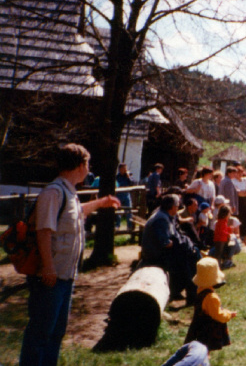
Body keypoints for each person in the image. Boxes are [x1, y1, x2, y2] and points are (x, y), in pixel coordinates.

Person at [20, 143, 120, 366]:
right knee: (40, 333)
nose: (89, 167)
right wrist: (48, 267)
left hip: (64, 276)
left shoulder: (69, 192)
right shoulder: (53, 192)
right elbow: (44, 232)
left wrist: (101, 202)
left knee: (55, 333)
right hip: (50, 277)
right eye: (88, 163)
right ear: (79, 165)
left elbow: (77, 213)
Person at [141, 194, 200, 304]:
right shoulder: (161, 219)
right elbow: (165, 243)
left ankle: (189, 291)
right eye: (177, 206)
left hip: (161, 251)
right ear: (172, 207)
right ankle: (191, 294)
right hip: (155, 254)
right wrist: (180, 245)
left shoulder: (166, 215)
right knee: (188, 259)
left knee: (192, 252)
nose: (178, 209)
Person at [184, 257, 237, 352]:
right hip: (208, 331)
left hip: (198, 327)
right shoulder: (212, 297)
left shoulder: (200, 290)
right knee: (205, 351)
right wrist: (229, 314)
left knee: (199, 350)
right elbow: (217, 315)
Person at [233, 166, 246, 246]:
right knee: (238, 218)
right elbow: (238, 193)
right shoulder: (233, 181)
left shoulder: (245, 180)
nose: (240, 174)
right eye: (238, 172)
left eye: (241, 172)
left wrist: (244, 192)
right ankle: (237, 238)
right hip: (237, 200)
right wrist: (243, 192)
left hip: (245, 200)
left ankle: (245, 239)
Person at [212, 205, 234, 269]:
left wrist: (229, 229)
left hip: (222, 239)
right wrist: (228, 234)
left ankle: (219, 265)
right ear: (225, 214)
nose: (230, 214)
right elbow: (222, 231)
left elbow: (224, 229)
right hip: (219, 240)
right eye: (229, 213)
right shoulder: (221, 222)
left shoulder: (224, 221)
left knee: (221, 253)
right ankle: (217, 266)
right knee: (218, 254)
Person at [115, 163, 134, 230]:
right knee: (118, 211)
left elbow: (132, 183)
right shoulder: (117, 177)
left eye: (126, 168)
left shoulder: (127, 176)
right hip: (119, 194)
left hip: (126, 194)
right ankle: (117, 225)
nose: (125, 169)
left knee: (129, 210)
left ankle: (129, 226)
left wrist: (128, 176)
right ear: (120, 169)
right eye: (124, 168)